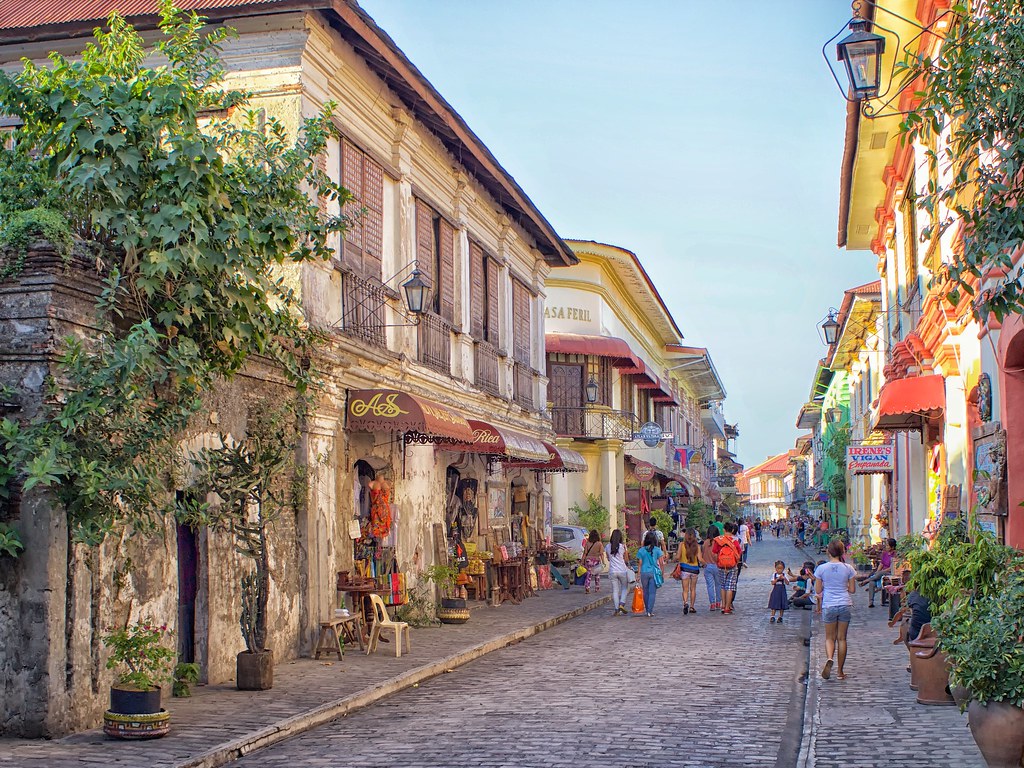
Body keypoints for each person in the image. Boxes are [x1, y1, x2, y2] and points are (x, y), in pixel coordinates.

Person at [815, 539, 857, 681]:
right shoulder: (848, 568)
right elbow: (852, 590)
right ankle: (840, 672)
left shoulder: (821, 569)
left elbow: (818, 590)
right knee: (842, 639)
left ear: (828, 552)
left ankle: (829, 658)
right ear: (842, 551)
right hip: (844, 604)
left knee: (829, 638)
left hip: (829, 605)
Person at [712, 522, 742, 615]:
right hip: (732, 566)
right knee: (730, 587)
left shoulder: (718, 540)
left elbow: (714, 554)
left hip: (721, 566)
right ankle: (727, 608)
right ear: (733, 530)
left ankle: (723, 605)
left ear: (724, 530)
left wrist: (718, 561)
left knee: (723, 585)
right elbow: (739, 554)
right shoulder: (735, 541)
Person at [858, 538, 897, 608]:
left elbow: (892, 567)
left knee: (879, 574)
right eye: (886, 545)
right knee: (872, 582)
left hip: (890, 573)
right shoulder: (885, 554)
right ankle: (871, 602)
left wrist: (881, 572)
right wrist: (877, 571)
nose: (886, 547)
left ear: (892, 547)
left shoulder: (895, 555)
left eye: (888, 546)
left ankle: (865, 581)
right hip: (881, 573)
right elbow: (881, 564)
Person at [635, 531, 665, 617]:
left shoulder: (641, 550)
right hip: (654, 573)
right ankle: (649, 611)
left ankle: (647, 608)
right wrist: (662, 573)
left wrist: (638, 575)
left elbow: (639, 564)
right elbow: (661, 563)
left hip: (644, 573)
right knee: (652, 593)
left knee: (645, 592)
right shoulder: (657, 550)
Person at [675, 528, 703, 615]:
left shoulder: (681, 545)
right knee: (693, 589)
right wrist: (706, 563)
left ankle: (685, 603)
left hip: (684, 569)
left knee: (685, 589)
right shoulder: (697, 546)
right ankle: (692, 606)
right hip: (694, 569)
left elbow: (678, 556)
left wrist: (673, 559)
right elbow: (700, 559)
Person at [605, 529, 630, 615]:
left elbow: (608, 558)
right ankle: (621, 604)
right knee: (624, 588)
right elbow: (626, 559)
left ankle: (616, 609)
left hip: (612, 571)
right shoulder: (623, 546)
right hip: (622, 570)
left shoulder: (608, 546)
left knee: (615, 590)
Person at [701, 525, 723, 611]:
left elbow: (702, 554)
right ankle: (718, 602)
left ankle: (712, 604)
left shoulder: (705, 543)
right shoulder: (718, 542)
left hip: (707, 566)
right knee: (718, 585)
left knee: (710, 586)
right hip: (717, 565)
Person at [582, 530, 604, 594]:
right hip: (596, 560)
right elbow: (601, 554)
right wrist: (603, 561)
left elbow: (585, 553)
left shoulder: (587, 543)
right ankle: (597, 587)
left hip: (588, 560)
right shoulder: (599, 543)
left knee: (588, 574)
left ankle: (587, 587)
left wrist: (582, 561)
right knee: (597, 574)